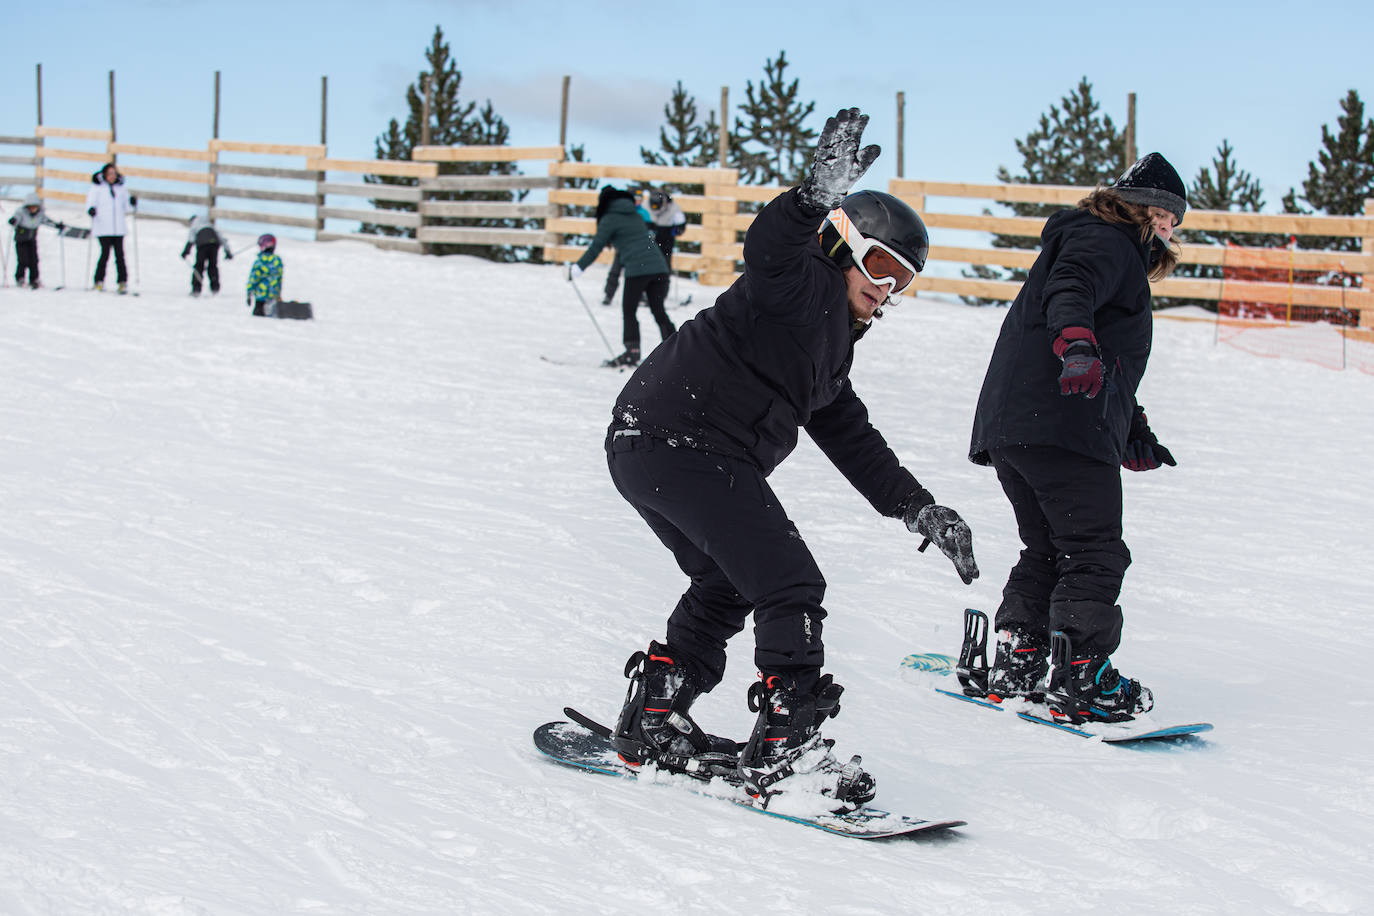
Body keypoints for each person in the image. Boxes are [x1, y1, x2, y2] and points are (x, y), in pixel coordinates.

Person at [602, 108, 979, 812]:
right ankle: (788, 750)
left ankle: (655, 715)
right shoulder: (799, 281)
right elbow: (769, 247)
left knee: (729, 583)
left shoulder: (829, 348)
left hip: (648, 444)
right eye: (879, 265)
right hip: (682, 440)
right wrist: (811, 198)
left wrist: (916, 506)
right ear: (841, 246)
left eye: (904, 279)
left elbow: (853, 437)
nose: (886, 287)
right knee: (789, 582)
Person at [966, 152, 1186, 725]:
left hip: (1019, 426)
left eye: (1175, 221)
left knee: (1047, 548)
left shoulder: (1093, 239)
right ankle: (1083, 673)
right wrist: (1077, 346)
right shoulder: (1106, 241)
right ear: (1143, 210)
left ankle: (1023, 654)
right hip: (1064, 424)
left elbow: (1110, 357)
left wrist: (1132, 430)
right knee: (1092, 550)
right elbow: (1071, 291)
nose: (1171, 230)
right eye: (1167, 216)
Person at [568, 186, 673, 367]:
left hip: (638, 270)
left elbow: (596, 247)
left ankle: (632, 352)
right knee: (658, 310)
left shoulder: (609, 218)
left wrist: (577, 268)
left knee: (629, 310)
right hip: (659, 267)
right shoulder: (635, 214)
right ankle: (675, 349)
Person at [85, 162, 137, 293]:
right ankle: (99, 280)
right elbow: (90, 203)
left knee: (120, 255)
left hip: (118, 228)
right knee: (105, 254)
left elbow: (127, 208)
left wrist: (132, 203)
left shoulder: (121, 189)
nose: (112, 176)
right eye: (109, 173)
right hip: (103, 227)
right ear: (104, 175)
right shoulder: (97, 188)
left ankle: (122, 281)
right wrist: (91, 210)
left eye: (114, 173)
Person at [600, 195, 655, 307]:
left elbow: (650, 231)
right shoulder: (624, 213)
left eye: (640, 199)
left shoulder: (644, 213)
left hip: (638, 251)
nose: (637, 202)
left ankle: (641, 295)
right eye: (635, 199)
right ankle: (608, 294)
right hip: (623, 248)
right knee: (615, 271)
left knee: (638, 274)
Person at [7, 192, 63, 289]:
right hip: (21, 240)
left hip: (32, 240)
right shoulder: (21, 212)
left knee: (34, 260)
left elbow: (47, 221)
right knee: (23, 260)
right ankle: (20, 278)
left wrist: (57, 225)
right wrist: (13, 221)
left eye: (35, 207)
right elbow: (16, 219)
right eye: (31, 207)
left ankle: (34, 279)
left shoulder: (40, 215)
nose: (33, 209)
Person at [181, 214, 233, 296]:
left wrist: (185, 252)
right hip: (214, 245)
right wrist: (228, 252)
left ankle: (196, 289)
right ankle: (215, 287)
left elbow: (191, 240)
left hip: (202, 245)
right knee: (213, 266)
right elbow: (222, 239)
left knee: (199, 266)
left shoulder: (194, 226)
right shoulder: (211, 226)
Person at [644, 187, 687, 270]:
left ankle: (664, 278)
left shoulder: (673, 207)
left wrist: (678, 229)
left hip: (666, 237)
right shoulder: (646, 205)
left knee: (664, 264)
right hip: (649, 236)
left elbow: (681, 224)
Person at [246, 233, 283, 316]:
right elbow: (279, 279)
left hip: (261, 295)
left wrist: (249, 292)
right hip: (273, 296)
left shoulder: (259, 261)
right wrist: (278, 294)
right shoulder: (277, 260)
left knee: (259, 316)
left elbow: (254, 278)